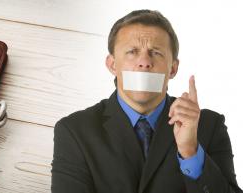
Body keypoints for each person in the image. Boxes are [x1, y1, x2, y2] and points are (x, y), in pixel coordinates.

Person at [51, 9, 243, 193]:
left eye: (156, 52)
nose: (144, 62)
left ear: (173, 69)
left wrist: (190, 152)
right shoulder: (75, 131)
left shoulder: (209, 126)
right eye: (132, 51)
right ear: (112, 65)